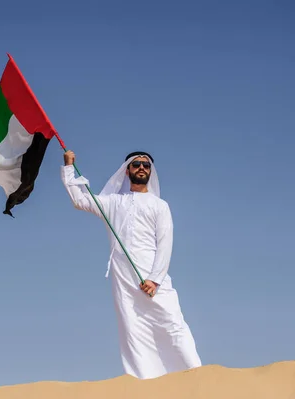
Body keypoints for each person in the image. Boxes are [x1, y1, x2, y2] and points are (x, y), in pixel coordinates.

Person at [60, 149, 202, 379]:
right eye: (136, 164)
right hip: (125, 280)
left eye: (146, 165)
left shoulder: (160, 206)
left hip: (155, 278)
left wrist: (155, 280)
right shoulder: (114, 203)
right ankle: (144, 384)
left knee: (174, 323)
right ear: (127, 171)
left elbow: (165, 244)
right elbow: (80, 200)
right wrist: (68, 167)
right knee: (133, 332)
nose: (142, 168)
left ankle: (197, 376)